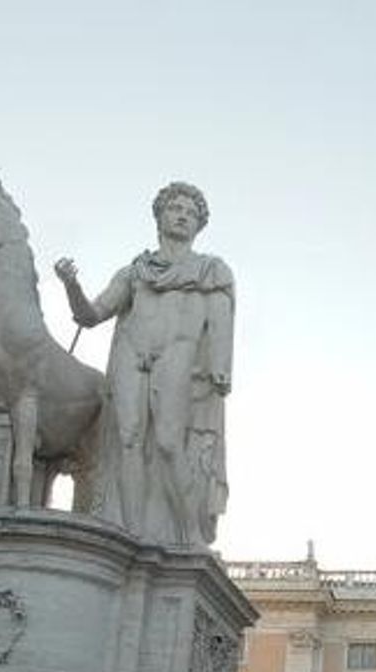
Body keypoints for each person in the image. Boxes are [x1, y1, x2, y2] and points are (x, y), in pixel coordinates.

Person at [55, 182, 233, 546]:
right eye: (175, 208)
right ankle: (130, 538)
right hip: (130, 355)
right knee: (128, 441)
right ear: (160, 216)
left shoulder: (211, 270)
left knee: (169, 442)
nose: (182, 215)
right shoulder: (135, 272)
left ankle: (191, 534)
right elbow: (91, 315)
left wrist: (220, 365)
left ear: (199, 224)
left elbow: (221, 322)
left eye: (190, 212)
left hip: (177, 358)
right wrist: (71, 284)